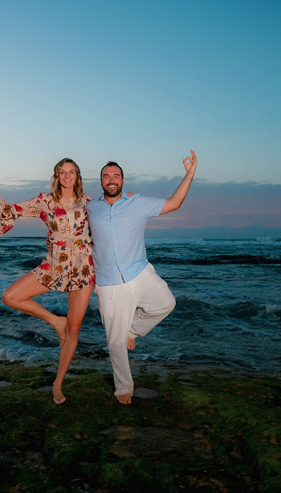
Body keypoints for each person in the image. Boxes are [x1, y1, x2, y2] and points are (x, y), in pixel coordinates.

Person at [0, 158, 94, 405]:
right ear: (57, 176)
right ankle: (54, 321)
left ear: (77, 176)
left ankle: (58, 383)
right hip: (54, 265)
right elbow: (11, 210)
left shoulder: (90, 203)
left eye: (72, 172)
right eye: (63, 172)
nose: (67, 176)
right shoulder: (45, 201)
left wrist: (128, 198)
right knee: (10, 296)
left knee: (74, 329)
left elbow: (115, 214)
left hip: (82, 268)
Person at [87, 150, 198, 405]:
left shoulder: (137, 202)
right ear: (101, 181)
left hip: (139, 272)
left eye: (116, 175)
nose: (111, 179)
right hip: (108, 282)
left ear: (123, 180)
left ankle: (133, 331)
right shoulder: (90, 207)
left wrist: (189, 174)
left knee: (166, 303)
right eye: (106, 176)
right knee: (114, 342)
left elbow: (174, 203)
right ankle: (124, 387)